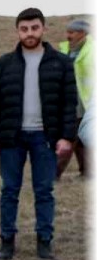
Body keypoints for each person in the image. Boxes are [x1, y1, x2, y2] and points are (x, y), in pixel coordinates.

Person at [0, 8, 77, 260]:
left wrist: (66, 136)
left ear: (43, 28)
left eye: (34, 28)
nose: (29, 33)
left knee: (44, 191)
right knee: (9, 191)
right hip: (11, 138)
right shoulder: (3, 64)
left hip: (45, 138)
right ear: (18, 31)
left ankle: (44, 241)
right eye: (24, 29)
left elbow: (69, 103)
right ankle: (7, 241)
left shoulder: (61, 63)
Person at [55, 18, 90, 178]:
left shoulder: (92, 50)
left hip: (84, 104)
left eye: (71, 32)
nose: (68, 35)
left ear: (82, 33)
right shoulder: (64, 50)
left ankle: (53, 173)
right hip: (67, 101)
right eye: (67, 32)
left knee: (69, 138)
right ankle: (88, 171)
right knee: (81, 141)